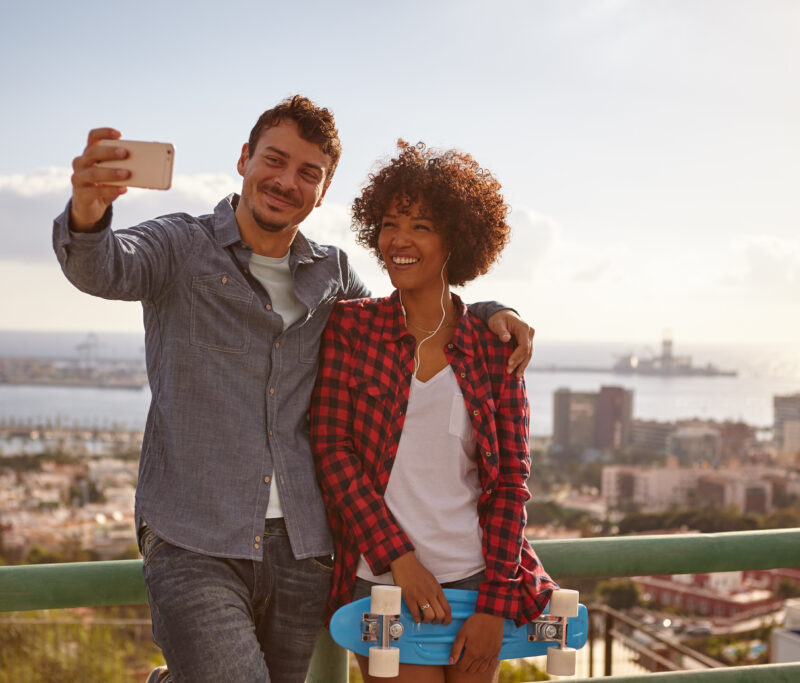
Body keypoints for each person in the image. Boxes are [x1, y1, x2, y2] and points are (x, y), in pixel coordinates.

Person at [52, 96, 536, 683]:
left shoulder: (331, 275)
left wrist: (488, 312)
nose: (286, 182)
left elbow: (408, 309)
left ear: (323, 191)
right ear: (243, 159)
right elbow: (102, 266)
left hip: (304, 549)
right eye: (274, 160)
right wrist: (88, 213)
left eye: (308, 173)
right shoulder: (182, 247)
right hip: (195, 537)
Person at [310, 141, 556, 682]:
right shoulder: (351, 328)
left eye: (420, 226)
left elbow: (512, 480)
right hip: (383, 578)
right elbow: (332, 451)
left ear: (455, 241)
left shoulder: (495, 349)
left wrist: (494, 604)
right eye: (390, 223)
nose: (399, 239)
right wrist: (399, 560)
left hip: (477, 578)